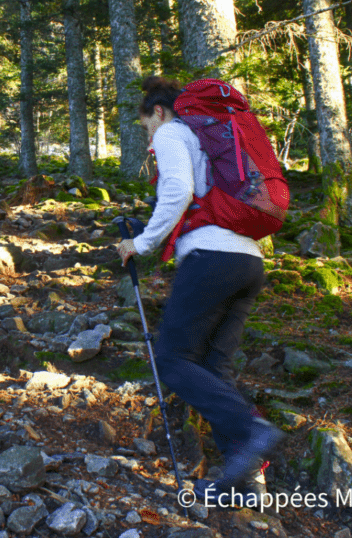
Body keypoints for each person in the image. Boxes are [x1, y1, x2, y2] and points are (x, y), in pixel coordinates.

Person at [115, 75, 282, 503]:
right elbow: (193, 199)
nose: (148, 135)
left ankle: (252, 430)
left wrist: (142, 244)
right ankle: (247, 482)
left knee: (172, 360)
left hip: (211, 259)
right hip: (248, 261)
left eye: (146, 125)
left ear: (158, 112)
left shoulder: (173, 131)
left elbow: (178, 191)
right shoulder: (205, 142)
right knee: (214, 368)